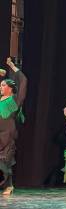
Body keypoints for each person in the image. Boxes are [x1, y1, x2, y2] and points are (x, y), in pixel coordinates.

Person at [0, 57, 27, 195]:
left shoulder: (15, 100)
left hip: (7, 133)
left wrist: (11, 66)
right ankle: (7, 184)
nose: (1, 87)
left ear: (11, 88)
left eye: (3, 85)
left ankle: (9, 185)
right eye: (0, 85)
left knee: (5, 160)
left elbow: (23, 81)